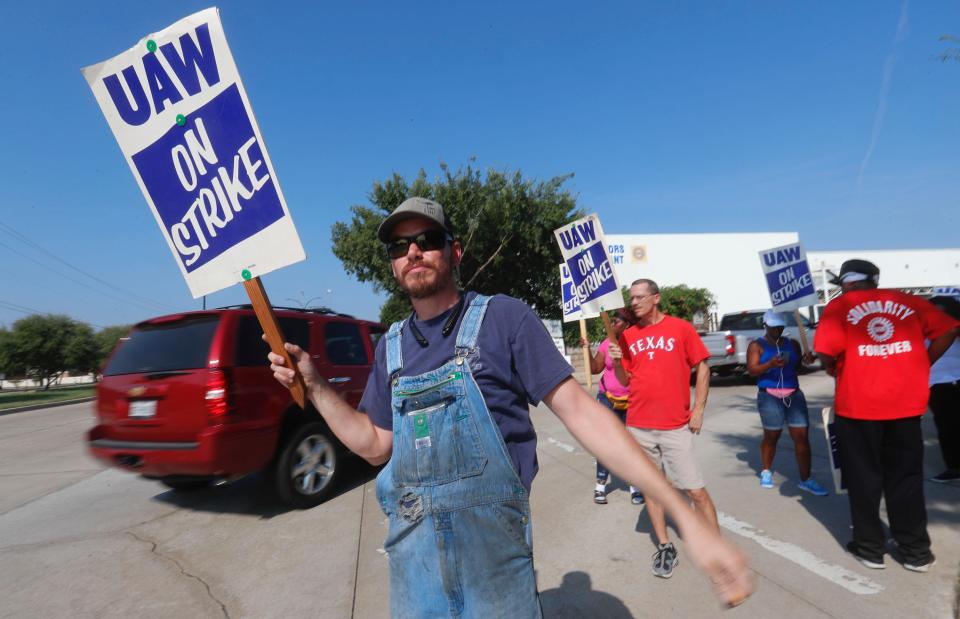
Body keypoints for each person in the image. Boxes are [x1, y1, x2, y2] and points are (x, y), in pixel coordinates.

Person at [268, 198, 753, 616]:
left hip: (496, 578)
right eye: (399, 246)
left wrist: (685, 516)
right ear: (393, 264)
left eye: (427, 238)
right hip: (413, 584)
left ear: (454, 251)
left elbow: (586, 417)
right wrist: (314, 385)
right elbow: (374, 447)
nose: (412, 251)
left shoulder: (505, 319)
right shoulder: (390, 346)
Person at [813, 259, 958, 572]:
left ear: (844, 282)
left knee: (864, 479)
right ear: (874, 280)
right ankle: (916, 552)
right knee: (905, 478)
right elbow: (950, 329)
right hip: (905, 406)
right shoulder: (907, 301)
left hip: (858, 407)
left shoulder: (839, 307)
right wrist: (923, 362)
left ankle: (870, 549)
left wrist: (830, 363)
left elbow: (826, 351)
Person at [611, 278, 718, 580]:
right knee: (653, 488)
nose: (634, 303)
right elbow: (625, 379)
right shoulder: (628, 336)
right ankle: (664, 545)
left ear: (656, 298)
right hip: (639, 425)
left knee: (695, 490)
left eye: (639, 297)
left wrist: (698, 409)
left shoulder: (681, 328)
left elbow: (703, 367)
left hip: (674, 426)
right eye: (631, 298)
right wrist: (618, 361)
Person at [746, 309, 828, 496]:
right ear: (765, 326)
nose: (777, 331)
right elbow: (752, 370)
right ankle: (766, 470)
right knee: (772, 436)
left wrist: (809, 360)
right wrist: (769, 365)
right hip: (769, 396)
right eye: (774, 328)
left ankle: (806, 479)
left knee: (801, 438)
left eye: (780, 327)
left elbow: (798, 366)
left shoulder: (792, 343)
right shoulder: (756, 345)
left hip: (793, 393)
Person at [582, 308, 644, 505]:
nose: (612, 324)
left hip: (632, 401)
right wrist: (587, 349)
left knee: (632, 445)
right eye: (612, 321)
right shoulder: (606, 344)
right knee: (606, 443)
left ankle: (635, 487)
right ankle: (600, 487)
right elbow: (595, 369)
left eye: (617, 321)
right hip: (607, 399)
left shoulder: (636, 345)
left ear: (628, 324)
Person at [926, 296, 960, 483]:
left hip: (958, 378)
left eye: (941, 312)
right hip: (937, 384)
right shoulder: (922, 331)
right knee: (946, 427)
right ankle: (954, 467)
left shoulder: (954, 329)